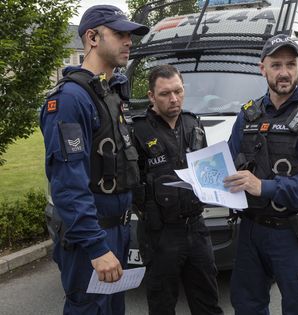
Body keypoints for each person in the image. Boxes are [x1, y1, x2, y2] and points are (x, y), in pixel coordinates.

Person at [223, 34, 298, 315]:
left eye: (290, 64)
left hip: (295, 234)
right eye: (276, 65)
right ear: (262, 68)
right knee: (246, 305)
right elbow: (228, 166)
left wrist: (265, 187)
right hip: (251, 232)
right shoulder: (248, 115)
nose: (284, 72)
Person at [40, 5, 149, 315]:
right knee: (88, 309)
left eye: (130, 35)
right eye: (119, 34)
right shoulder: (70, 100)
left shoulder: (112, 93)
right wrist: (97, 247)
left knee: (113, 309)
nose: (129, 41)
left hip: (119, 230)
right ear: (91, 37)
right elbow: (68, 183)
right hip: (92, 237)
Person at [131, 64, 224, 315]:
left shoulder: (193, 124)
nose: (174, 99)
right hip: (160, 233)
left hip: (196, 227)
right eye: (165, 94)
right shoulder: (137, 131)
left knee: (207, 302)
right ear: (151, 96)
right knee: (162, 305)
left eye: (178, 91)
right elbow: (130, 184)